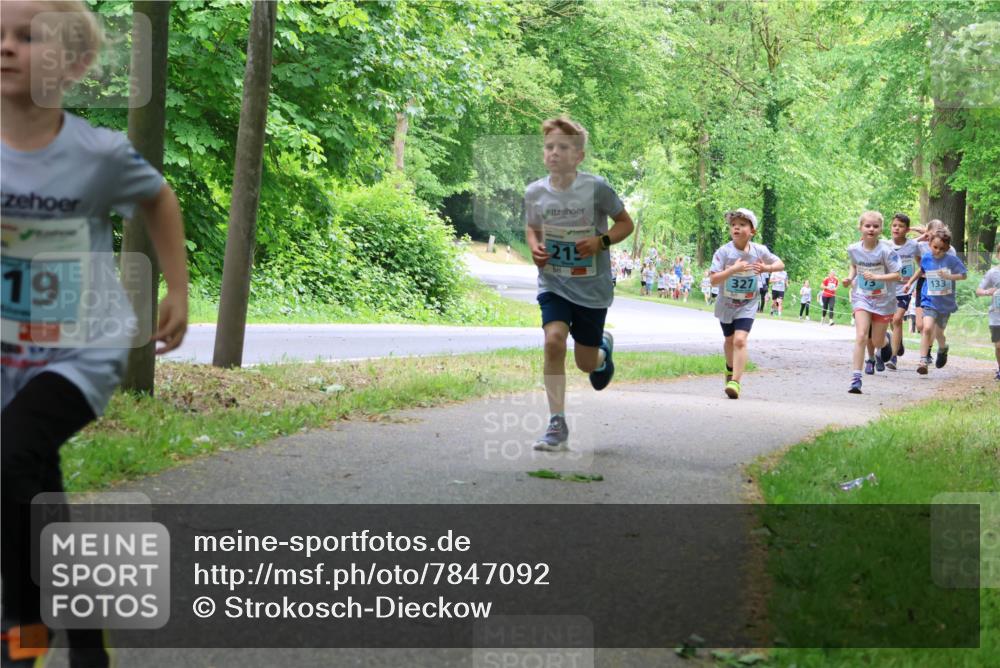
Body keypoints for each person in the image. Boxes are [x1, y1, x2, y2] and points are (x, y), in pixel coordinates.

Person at [1, 2, 189, 666]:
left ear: (74, 64)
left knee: (8, 461)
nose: (6, 47)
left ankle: (25, 625)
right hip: (8, 353)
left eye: (27, 36)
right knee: (33, 489)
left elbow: (158, 197)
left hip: (82, 350)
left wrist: (177, 289)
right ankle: (87, 636)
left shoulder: (97, 154)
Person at [525, 115, 633, 451]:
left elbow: (625, 224)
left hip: (591, 289)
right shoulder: (535, 192)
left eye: (563, 147)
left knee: (585, 363)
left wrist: (601, 241)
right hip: (554, 283)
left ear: (579, 156)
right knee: (553, 341)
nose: (554, 153)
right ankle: (557, 423)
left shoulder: (596, 188)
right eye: (549, 147)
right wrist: (534, 247)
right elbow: (532, 227)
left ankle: (603, 352)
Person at [709, 208, 783, 399]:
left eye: (742, 225)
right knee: (729, 340)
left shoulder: (759, 250)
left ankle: (735, 382)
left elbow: (780, 264)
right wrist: (732, 270)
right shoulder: (723, 252)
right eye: (733, 225)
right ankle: (729, 369)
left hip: (748, 303)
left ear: (752, 231)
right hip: (726, 304)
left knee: (740, 340)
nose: (737, 228)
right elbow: (714, 280)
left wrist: (766, 267)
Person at [842, 211, 901, 393]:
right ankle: (856, 379)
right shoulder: (853, 249)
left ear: (881, 229)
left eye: (875, 226)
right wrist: (850, 278)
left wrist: (877, 277)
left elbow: (897, 275)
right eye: (867, 226)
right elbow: (854, 265)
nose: (871, 229)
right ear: (860, 227)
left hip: (883, 300)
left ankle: (885, 342)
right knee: (861, 335)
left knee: (876, 341)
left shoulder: (886, 251)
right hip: (862, 296)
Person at [904, 226, 967, 375]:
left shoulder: (951, 260)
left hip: (945, 303)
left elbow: (963, 275)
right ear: (930, 244)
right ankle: (923, 360)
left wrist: (949, 277)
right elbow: (921, 270)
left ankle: (943, 348)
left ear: (947, 248)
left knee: (939, 333)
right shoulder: (926, 257)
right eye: (935, 247)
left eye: (942, 249)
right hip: (929, 299)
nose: (938, 251)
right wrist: (909, 283)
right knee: (926, 328)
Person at [886, 213, 918, 370]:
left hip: (905, 288)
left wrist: (913, 280)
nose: (896, 228)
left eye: (901, 226)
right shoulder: (885, 245)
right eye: (894, 225)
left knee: (897, 319)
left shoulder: (913, 245)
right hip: (888, 288)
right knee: (891, 320)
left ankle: (893, 358)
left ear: (907, 229)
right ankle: (898, 343)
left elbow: (921, 263)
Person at [975, 246, 1000, 381]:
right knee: (998, 345)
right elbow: (978, 290)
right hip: (996, 315)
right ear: (997, 255)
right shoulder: (992, 273)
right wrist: (986, 292)